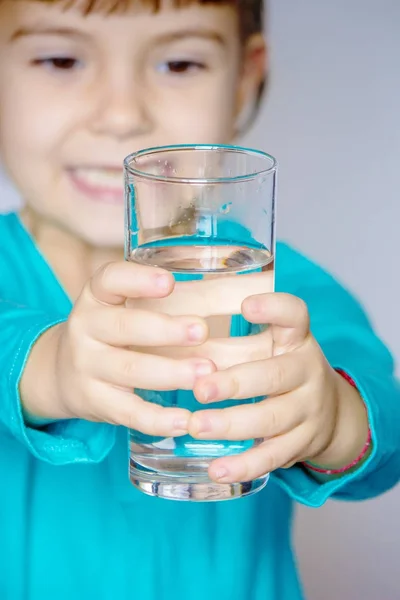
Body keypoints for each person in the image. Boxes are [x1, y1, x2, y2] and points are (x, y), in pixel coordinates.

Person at [0, 1, 398, 598]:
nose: (121, 115)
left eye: (180, 63)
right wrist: (44, 365)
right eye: (61, 59)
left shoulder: (275, 285)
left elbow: (382, 427)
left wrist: (331, 417)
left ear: (244, 80)